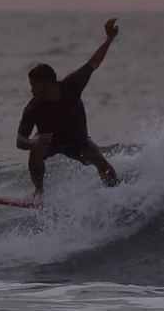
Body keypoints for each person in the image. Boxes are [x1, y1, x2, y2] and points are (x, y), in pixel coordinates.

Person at [16, 18, 120, 196]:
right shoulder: (33, 108)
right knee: (35, 152)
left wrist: (109, 38)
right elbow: (19, 140)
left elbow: (93, 63)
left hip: (79, 143)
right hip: (51, 144)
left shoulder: (72, 85)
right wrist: (33, 142)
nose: (31, 90)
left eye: (35, 85)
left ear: (48, 83)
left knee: (101, 163)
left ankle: (118, 193)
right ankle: (39, 192)